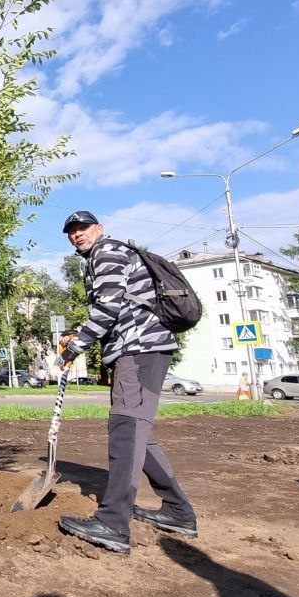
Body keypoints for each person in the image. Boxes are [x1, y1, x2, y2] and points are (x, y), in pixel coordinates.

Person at [55, 210, 197, 555]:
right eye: (71, 231)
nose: (77, 234)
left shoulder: (107, 252)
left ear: (99, 229)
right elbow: (115, 306)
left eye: (83, 228)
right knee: (139, 432)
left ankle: (113, 522)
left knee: (125, 427)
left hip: (139, 349)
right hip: (141, 349)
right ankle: (178, 511)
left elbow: (108, 306)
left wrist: (76, 345)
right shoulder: (110, 255)